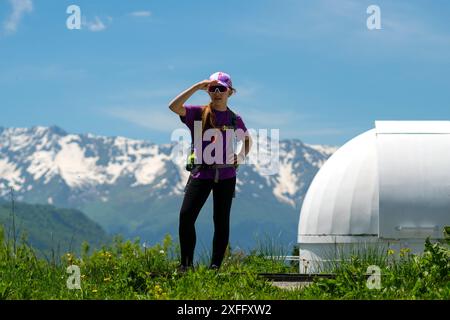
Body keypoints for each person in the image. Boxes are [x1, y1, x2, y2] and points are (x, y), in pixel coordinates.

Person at [168, 71, 252, 271]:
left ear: (229, 92)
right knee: (186, 216)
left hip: (226, 176)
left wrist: (240, 157)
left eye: (221, 89)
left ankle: (215, 267)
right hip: (201, 173)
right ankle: (186, 265)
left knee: (221, 222)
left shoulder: (234, 119)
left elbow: (247, 140)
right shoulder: (197, 113)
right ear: (208, 91)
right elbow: (173, 107)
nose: (217, 93)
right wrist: (198, 85)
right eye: (212, 88)